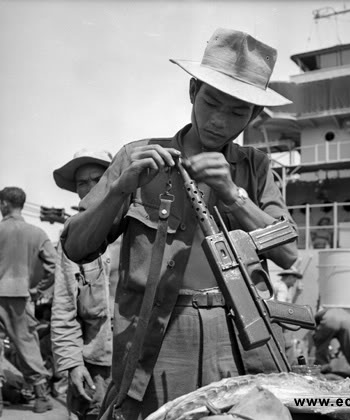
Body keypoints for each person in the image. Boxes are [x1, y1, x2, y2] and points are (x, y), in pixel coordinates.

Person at [61, 28, 297, 419]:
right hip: (158, 333)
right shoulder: (137, 158)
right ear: (192, 91)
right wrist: (120, 190)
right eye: (211, 103)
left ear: (254, 115)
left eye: (238, 111)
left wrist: (232, 192)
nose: (219, 121)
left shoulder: (256, 168)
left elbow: (288, 253)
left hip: (240, 333)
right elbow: (76, 247)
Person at [51, 149, 116, 420]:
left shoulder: (140, 223)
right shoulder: (72, 236)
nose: (90, 188)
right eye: (82, 183)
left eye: (98, 179)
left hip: (143, 359)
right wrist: (72, 364)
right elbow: (64, 306)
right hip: (96, 363)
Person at [0, 186, 56, 413]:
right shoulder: (38, 233)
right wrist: (36, 289)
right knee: (27, 344)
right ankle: (41, 398)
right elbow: (53, 266)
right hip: (21, 297)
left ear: (4, 204)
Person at [312, 307, 350, 378]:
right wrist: (343, 347)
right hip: (347, 322)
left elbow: (315, 326)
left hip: (330, 321)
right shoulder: (345, 313)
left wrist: (317, 336)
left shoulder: (321, 313)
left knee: (321, 344)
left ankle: (322, 367)